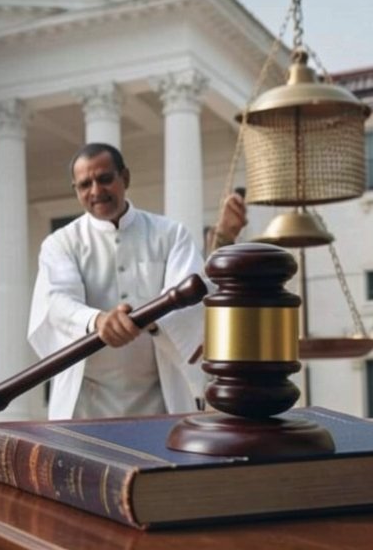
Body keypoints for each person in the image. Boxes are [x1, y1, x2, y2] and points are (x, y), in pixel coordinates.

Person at [27, 142, 246, 420]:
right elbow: (57, 301)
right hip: (86, 402)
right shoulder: (60, 243)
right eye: (85, 185)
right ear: (76, 191)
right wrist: (99, 322)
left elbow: (193, 295)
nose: (96, 191)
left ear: (125, 178)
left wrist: (149, 319)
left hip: (159, 396)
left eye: (105, 179)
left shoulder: (170, 234)